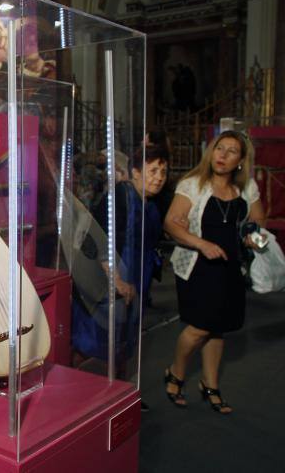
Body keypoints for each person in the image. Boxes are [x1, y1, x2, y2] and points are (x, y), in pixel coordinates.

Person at [163, 130, 264, 414]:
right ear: (211, 152)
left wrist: (252, 237)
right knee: (199, 327)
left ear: (241, 160)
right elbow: (171, 223)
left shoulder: (247, 189)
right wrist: (202, 244)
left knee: (218, 329)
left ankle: (211, 385)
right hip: (197, 266)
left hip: (231, 266)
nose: (223, 155)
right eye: (220, 148)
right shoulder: (193, 184)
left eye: (232, 151)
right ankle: (176, 373)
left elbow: (258, 221)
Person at [71, 145, 168, 370]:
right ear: (135, 172)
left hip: (138, 276)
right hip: (110, 278)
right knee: (95, 340)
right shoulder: (121, 197)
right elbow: (100, 242)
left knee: (125, 339)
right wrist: (116, 281)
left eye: (163, 172)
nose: (159, 178)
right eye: (153, 171)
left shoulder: (150, 203)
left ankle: (121, 390)